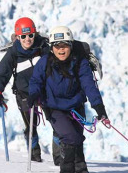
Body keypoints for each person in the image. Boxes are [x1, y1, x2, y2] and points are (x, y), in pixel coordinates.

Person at [28, 26, 110, 173]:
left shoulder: (80, 63)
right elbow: (35, 81)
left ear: (71, 45)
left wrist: (99, 107)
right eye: (57, 46)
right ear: (52, 47)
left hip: (76, 107)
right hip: (54, 108)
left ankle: (81, 169)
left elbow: (89, 86)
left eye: (64, 45)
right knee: (70, 138)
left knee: (77, 139)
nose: (61, 49)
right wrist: (33, 95)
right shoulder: (45, 62)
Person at [0, 17, 49, 163]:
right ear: (18, 37)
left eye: (30, 35)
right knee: (31, 125)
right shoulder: (13, 53)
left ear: (35, 34)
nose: (27, 39)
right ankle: (34, 153)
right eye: (23, 36)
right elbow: (2, 73)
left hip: (45, 91)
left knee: (56, 120)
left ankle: (59, 156)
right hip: (24, 93)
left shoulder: (43, 48)